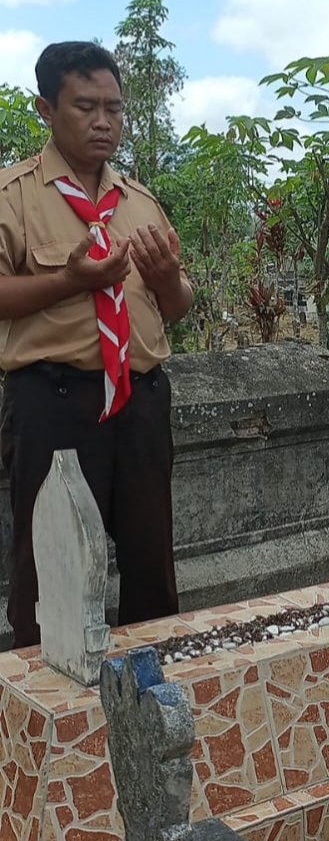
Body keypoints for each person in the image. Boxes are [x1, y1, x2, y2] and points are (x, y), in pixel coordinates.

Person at [0, 41, 193, 647]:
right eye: (85, 106)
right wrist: (68, 282)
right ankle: (47, 705)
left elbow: (176, 305)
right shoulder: (15, 197)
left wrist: (167, 283)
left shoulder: (139, 203)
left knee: (150, 561)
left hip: (140, 401)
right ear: (45, 109)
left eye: (114, 107)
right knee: (49, 568)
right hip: (54, 403)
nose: (104, 121)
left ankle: (154, 688)